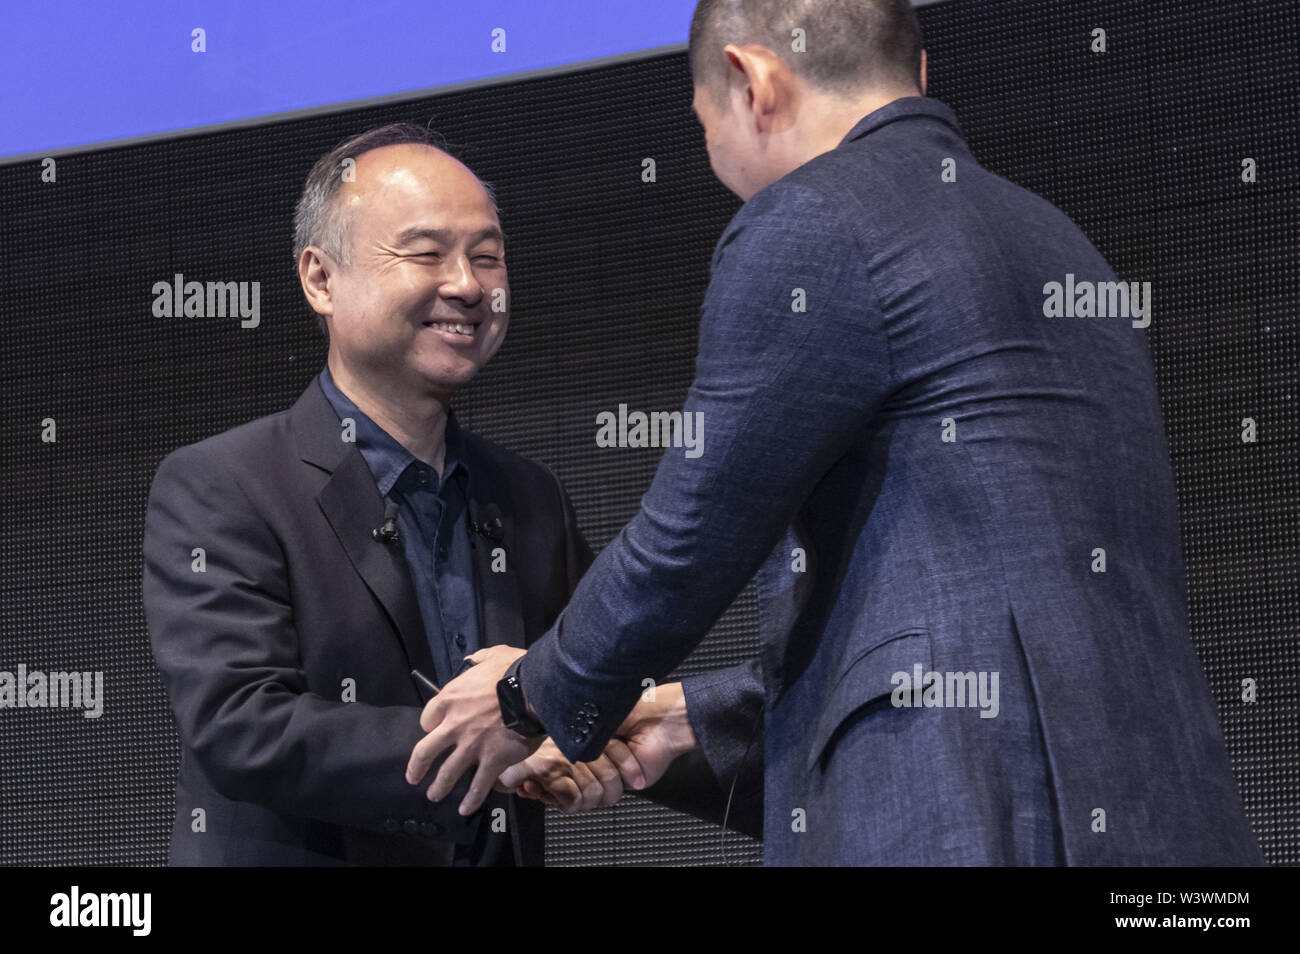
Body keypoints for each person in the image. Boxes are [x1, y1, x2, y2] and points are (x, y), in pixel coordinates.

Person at [412, 0, 1265, 865]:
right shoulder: (1065, 247)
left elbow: (690, 536)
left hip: (975, 815)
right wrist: (677, 717)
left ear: (752, 81)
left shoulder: (810, 221)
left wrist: (526, 694)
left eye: (702, 120)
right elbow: (972, 604)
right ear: (917, 74)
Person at [142, 124, 725, 865]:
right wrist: (503, 733)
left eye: (487, 256)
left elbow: (592, 680)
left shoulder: (529, 497)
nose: (469, 286)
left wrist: (582, 738)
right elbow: (241, 726)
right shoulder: (223, 484)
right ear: (320, 279)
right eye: (426, 253)